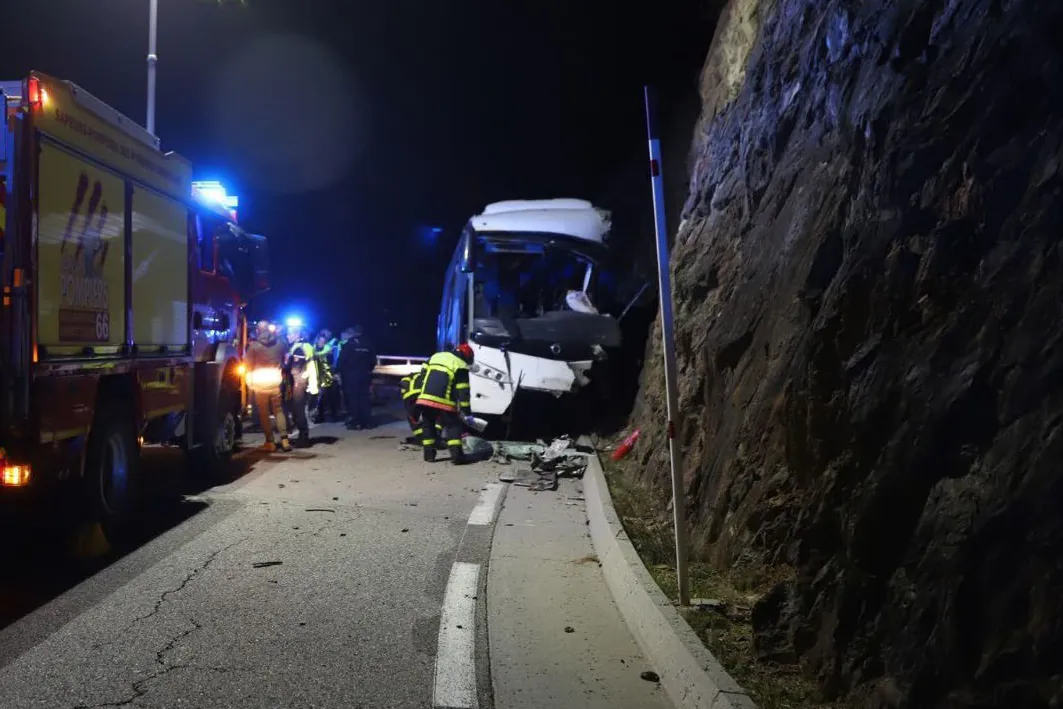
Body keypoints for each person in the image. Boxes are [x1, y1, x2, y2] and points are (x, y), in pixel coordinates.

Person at [415, 343, 475, 464]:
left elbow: (422, 376)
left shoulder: (436, 356)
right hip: (445, 401)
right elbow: (463, 392)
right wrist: (467, 413)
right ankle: (457, 457)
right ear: (466, 357)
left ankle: (429, 455)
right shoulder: (460, 365)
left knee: (428, 425)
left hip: (425, 398)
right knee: (453, 426)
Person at [244, 320, 292, 452]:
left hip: (260, 382)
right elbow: (287, 358)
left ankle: (270, 442)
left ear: (258, 331)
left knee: (264, 413)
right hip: (275, 380)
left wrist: (249, 382)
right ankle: (285, 439)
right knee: (278, 410)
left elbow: (248, 366)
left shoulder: (253, 346)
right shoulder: (280, 342)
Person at [284, 324, 318, 446]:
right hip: (304, 380)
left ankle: (303, 439)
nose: (287, 336)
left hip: (299, 381)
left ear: (297, 334)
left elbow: (295, 368)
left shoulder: (299, 348)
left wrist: (284, 366)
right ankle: (303, 436)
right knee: (297, 410)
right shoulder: (306, 345)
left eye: (289, 333)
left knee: (298, 410)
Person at [337, 325, 375, 430]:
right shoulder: (368, 344)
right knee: (364, 398)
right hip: (365, 375)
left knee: (353, 399)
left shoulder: (348, 344)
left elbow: (341, 361)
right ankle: (367, 422)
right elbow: (373, 361)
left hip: (350, 377)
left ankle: (356, 422)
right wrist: (368, 371)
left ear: (352, 333)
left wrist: (337, 371)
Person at [313, 330, 340, 423]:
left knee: (331, 395)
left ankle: (334, 415)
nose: (321, 343)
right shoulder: (314, 349)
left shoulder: (330, 349)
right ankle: (320, 416)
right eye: (320, 341)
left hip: (329, 374)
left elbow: (334, 362)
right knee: (320, 396)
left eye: (323, 341)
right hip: (318, 375)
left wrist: (335, 372)